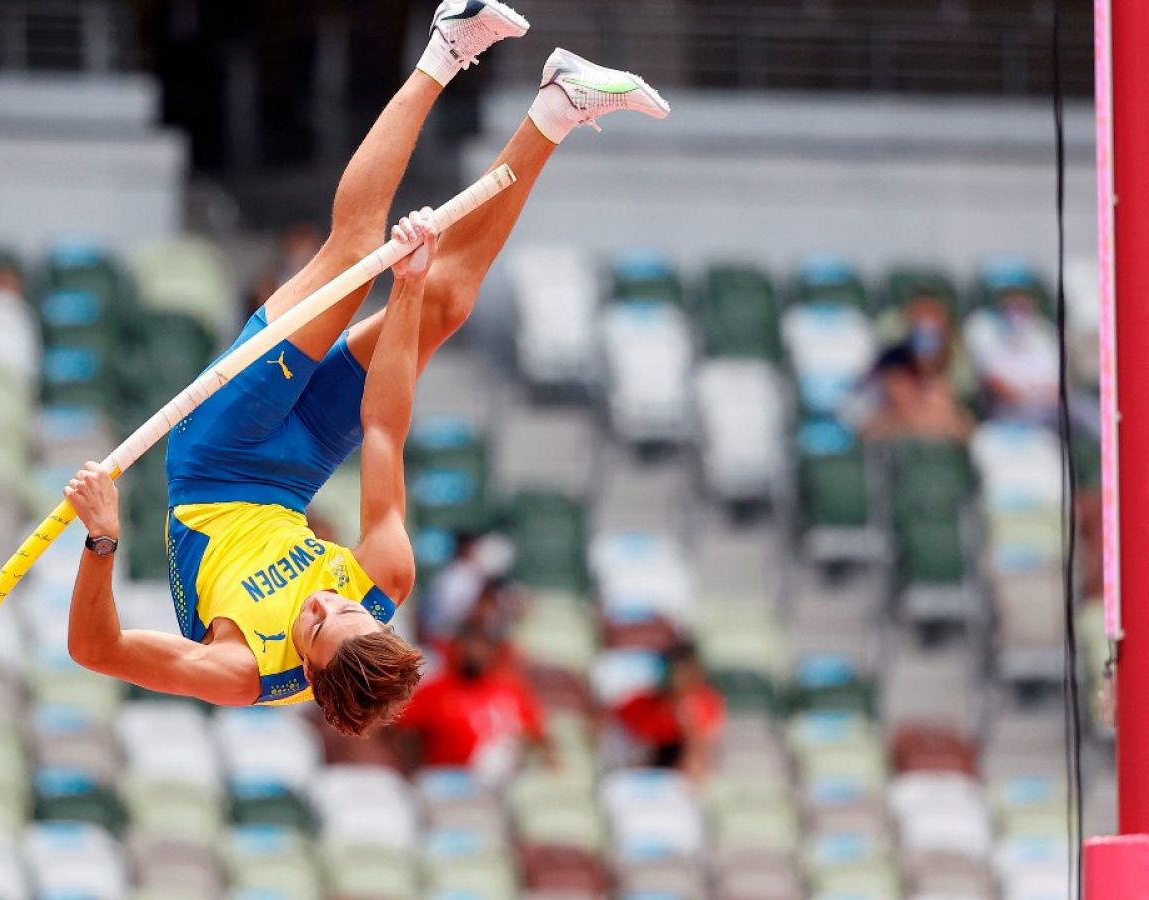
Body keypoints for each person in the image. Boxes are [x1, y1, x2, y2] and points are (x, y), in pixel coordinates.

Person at [61, 0, 671, 735]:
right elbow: (383, 428)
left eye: (316, 625)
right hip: (293, 474)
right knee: (444, 303)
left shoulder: (241, 671)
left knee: (351, 258)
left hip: (215, 461)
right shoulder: (385, 577)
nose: (323, 602)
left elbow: (96, 650)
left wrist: (101, 542)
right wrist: (410, 288)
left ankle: (444, 47)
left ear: (310, 673)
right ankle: (560, 105)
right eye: (344, 610)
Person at [395, 620, 549, 777]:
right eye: (469, 643)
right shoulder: (434, 690)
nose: (474, 651)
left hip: (502, 781)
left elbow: (537, 736)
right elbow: (399, 731)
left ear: (493, 650)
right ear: (457, 647)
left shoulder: (510, 691)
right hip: (446, 779)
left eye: (482, 645)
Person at [613, 642, 725, 784]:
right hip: (640, 780)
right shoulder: (638, 704)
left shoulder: (707, 704)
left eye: (683, 673)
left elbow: (699, 760)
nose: (676, 681)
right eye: (672, 672)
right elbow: (628, 751)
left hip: (682, 784)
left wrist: (687, 721)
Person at [964, 289, 1060, 425]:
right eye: (1012, 308)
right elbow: (998, 388)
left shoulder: (1045, 338)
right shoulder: (988, 339)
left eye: (1022, 308)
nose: (1017, 315)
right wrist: (1036, 395)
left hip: (1050, 413)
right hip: (1007, 416)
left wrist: (1030, 397)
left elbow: (1058, 389)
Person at [858, 344, 975, 444]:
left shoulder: (938, 403)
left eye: (901, 379)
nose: (895, 389)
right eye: (891, 382)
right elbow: (868, 436)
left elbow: (968, 432)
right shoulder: (883, 416)